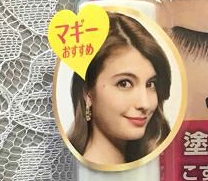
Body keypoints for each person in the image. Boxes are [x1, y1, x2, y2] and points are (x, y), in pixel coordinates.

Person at [69, 12, 172, 165]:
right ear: (87, 93)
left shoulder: (148, 162)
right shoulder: (85, 170)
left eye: (150, 84)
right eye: (124, 83)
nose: (145, 104)